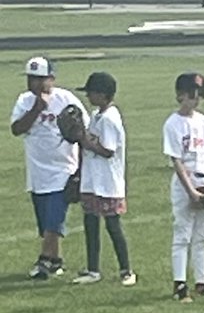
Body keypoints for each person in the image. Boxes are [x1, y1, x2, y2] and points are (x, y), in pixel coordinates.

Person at [10, 56, 88, 280]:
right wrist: (36, 109)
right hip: (36, 173)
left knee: (54, 220)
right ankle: (56, 261)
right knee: (46, 223)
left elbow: (83, 132)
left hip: (63, 170)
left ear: (51, 79)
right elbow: (16, 129)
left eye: (39, 79)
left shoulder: (66, 99)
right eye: (31, 79)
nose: (34, 83)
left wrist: (80, 171)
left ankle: (43, 261)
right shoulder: (25, 101)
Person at [162, 72, 204, 302]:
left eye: (200, 94)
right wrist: (191, 191)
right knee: (183, 234)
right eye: (192, 95)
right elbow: (177, 161)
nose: (197, 99)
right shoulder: (173, 123)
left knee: (203, 235)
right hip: (185, 182)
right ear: (180, 96)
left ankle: (203, 281)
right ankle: (180, 284)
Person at [71, 71, 137, 286]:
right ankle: (92, 269)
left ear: (102, 94)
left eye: (91, 93)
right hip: (92, 179)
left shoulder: (109, 118)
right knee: (90, 222)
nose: (88, 97)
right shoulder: (97, 114)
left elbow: (107, 150)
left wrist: (83, 139)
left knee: (112, 225)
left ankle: (126, 270)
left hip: (108, 181)